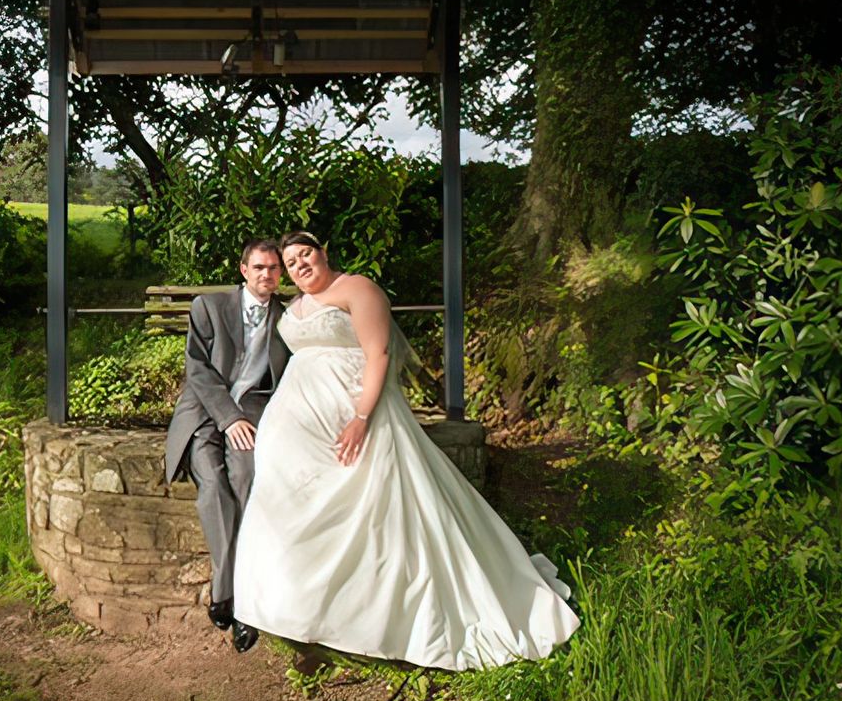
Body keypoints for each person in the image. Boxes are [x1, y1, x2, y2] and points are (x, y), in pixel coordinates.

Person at [233, 232, 580, 670]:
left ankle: (386, 621)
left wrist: (361, 418)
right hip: (296, 432)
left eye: (306, 254)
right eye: (291, 261)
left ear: (324, 252)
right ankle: (308, 618)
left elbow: (378, 354)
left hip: (352, 417)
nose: (300, 265)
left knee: (371, 513)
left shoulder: (358, 288)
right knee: (292, 513)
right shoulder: (294, 306)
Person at [165, 239, 290, 653]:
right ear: (243, 270)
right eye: (259, 268)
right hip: (203, 413)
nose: (266, 275)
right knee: (215, 487)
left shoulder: (286, 320)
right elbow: (197, 370)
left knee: (246, 480)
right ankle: (235, 603)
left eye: (273, 269)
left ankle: (229, 597)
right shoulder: (209, 307)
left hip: (252, 415)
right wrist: (228, 416)